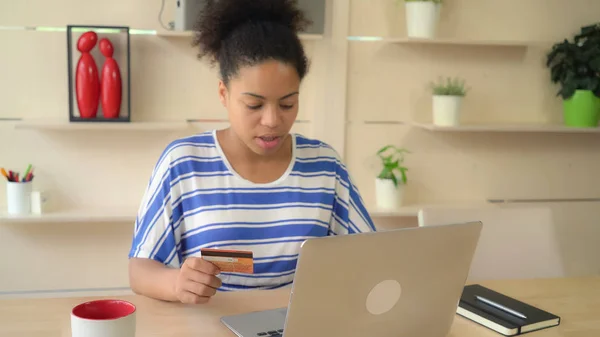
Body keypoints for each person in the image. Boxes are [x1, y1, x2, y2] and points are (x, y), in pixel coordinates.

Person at [128, 0, 376, 304]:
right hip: (208, 326)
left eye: (287, 104)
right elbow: (140, 269)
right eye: (254, 105)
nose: (272, 121)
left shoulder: (325, 166)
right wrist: (176, 283)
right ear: (224, 93)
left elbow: (368, 258)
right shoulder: (183, 163)